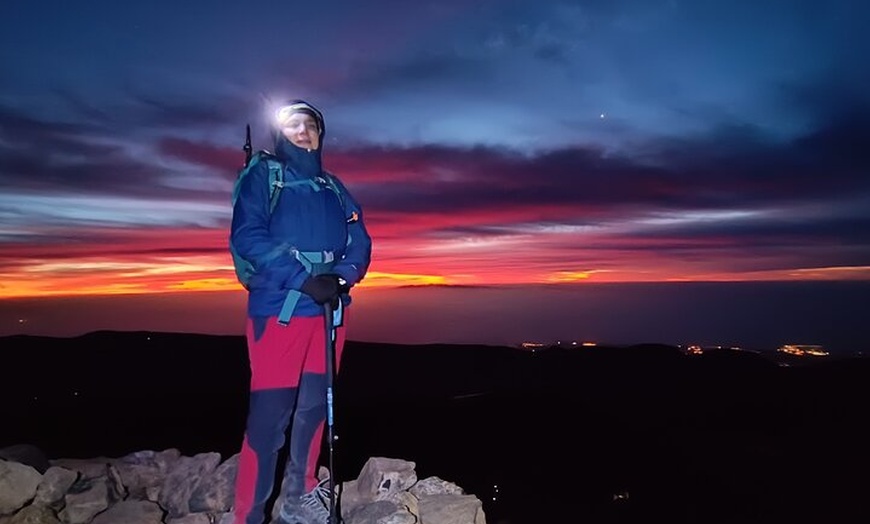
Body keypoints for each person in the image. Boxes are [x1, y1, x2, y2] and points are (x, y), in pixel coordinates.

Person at [230, 99, 372, 524]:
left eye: (311, 125)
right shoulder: (264, 174)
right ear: (280, 134)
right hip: (281, 310)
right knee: (269, 418)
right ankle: (248, 515)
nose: (304, 131)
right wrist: (301, 277)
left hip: (328, 312)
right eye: (293, 125)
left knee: (314, 408)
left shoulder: (333, 185)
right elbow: (247, 235)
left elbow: (360, 239)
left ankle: (301, 490)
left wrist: (342, 278)